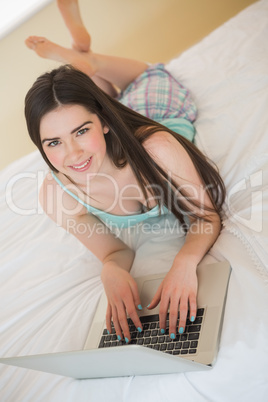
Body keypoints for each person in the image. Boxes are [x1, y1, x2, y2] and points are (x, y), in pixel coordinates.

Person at [24, 0, 225, 344]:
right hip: (114, 120)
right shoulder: (55, 194)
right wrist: (111, 270)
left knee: (144, 78)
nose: (72, 156)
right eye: (53, 143)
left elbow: (206, 217)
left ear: (102, 124)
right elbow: (114, 252)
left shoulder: (157, 149)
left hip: (157, 105)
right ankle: (83, 57)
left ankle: (90, 61)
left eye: (81, 131)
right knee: (101, 96)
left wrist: (185, 262)